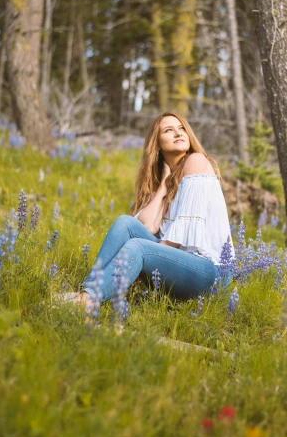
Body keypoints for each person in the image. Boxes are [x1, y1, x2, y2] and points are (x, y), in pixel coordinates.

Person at [80, 112, 233, 304]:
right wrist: (163, 187)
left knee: (139, 248)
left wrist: (142, 263)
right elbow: (148, 227)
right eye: (169, 130)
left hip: (210, 271)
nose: (178, 133)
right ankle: (86, 292)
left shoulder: (196, 162)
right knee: (125, 222)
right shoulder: (166, 179)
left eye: (182, 128)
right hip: (179, 265)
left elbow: (179, 236)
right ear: (157, 144)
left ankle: (88, 301)